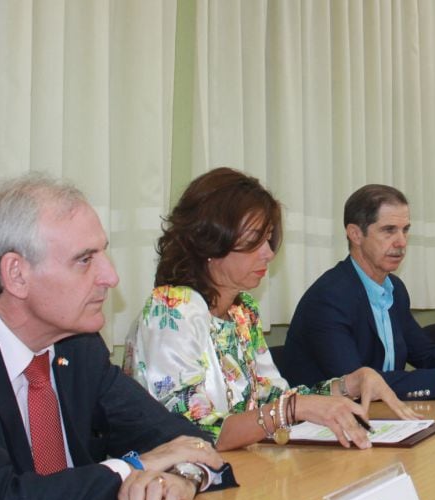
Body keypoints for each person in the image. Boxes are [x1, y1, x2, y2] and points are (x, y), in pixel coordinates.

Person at [0, 173, 233, 500]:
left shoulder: (78, 346)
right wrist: (135, 466)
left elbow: (187, 442)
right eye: (85, 259)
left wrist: (181, 479)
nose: (110, 276)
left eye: (104, 252)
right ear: (16, 274)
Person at [125, 168, 419, 452]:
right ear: (211, 241)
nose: (268, 252)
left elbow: (274, 400)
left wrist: (348, 385)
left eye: (268, 238)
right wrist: (292, 408)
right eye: (255, 240)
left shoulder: (243, 311)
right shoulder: (172, 310)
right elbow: (191, 433)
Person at [283, 184, 435, 400]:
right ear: (355, 234)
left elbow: (425, 354)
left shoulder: (394, 288)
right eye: (389, 230)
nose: (401, 242)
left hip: (381, 416)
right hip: (320, 429)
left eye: (405, 230)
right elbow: (357, 383)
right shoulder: (330, 298)